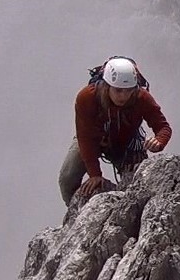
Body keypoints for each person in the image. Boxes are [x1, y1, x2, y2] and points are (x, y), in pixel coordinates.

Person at [58, 57, 172, 204]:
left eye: (128, 90)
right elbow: (85, 137)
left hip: (127, 142)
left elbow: (163, 127)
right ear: (107, 86)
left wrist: (159, 141)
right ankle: (75, 214)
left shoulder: (141, 97)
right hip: (93, 139)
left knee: (141, 186)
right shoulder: (87, 98)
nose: (123, 96)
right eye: (118, 91)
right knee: (67, 178)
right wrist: (95, 174)